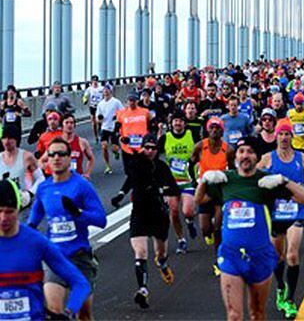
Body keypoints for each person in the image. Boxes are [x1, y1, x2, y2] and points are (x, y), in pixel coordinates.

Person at [195, 137, 304, 321]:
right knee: (234, 316)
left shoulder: (265, 182)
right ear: (236, 156)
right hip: (231, 255)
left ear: (257, 157)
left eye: (250, 152)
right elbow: (198, 201)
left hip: (260, 256)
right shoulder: (227, 180)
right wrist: (204, 180)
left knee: (257, 314)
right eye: (241, 151)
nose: (245, 155)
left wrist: (284, 180)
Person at [28, 137, 107, 320]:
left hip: (80, 258)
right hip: (55, 259)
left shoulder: (82, 186)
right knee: (54, 313)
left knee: (84, 314)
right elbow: (33, 221)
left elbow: (101, 220)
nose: (56, 158)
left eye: (61, 154)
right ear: (47, 158)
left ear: (69, 157)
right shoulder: (44, 188)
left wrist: (78, 213)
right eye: (52, 154)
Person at [0, 178, 90, 320]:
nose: (3, 218)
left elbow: (80, 283)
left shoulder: (35, 242)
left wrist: (67, 312)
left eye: (9, 211)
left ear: (19, 209)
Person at [111, 134, 179, 308]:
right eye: (146, 147)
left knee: (160, 252)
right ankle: (143, 290)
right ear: (142, 147)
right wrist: (120, 195)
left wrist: (163, 191)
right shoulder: (137, 164)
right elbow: (130, 180)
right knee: (140, 253)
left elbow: (173, 187)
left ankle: (162, 263)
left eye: (153, 148)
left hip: (158, 215)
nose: (149, 151)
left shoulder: (162, 167)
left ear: (157, 150)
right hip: (140, 213)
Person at [258, 121, 304, 318]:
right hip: (275, 214)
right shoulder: (267, 160)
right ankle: (280, 287)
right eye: (281, 134)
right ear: (276, 136)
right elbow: (257, 182)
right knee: (277, 257)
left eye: (287, 134)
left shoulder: (303, 159)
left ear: (291, 137)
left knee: (292, 255)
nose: (284, 138)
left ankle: (290, 300)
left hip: (296, 212)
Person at [189, 117, 233, 252]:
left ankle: (218, 255)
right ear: (208, 130)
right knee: (205, 227)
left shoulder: (228, 149)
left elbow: (232, 170)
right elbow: (190, 164)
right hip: (205, 187)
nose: (214, 131)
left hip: (220, 188)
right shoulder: (200, 147)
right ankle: (209, 234)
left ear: (222, 131)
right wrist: (194, 181)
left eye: (217, 128)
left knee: (218, 225)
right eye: (212, 128)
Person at [159, 113, 198, 254]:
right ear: (171, 123)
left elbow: (200, 152)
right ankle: (181, 240)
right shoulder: (166, 138)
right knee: (174, 212)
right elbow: (155, 154)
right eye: (175, 121)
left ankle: (190, 221)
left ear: (184, 123)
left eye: (180, 121)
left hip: (187, 180)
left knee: (187, 210)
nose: (177, 123)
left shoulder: (191, 135)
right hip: (171, 181)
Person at [0, 125, 42, 195]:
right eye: (4, 138)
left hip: (22, 201)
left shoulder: (27, 156)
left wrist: (30, 193)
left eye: (10, 138)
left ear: (17, 139)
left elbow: (40, 178)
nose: (7, 141)